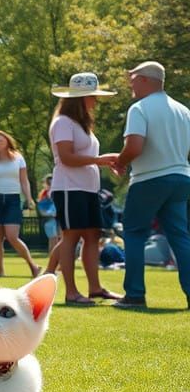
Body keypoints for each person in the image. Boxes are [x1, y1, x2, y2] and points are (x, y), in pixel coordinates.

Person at [111, 61, 190, 310]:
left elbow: (134, 146)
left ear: (145, 79)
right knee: (180, 237)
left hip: (149, 179)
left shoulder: (140, 108)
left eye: (133, 79)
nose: (130, 84)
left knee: (134, 233)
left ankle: (135, 294)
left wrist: (120, 163)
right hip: (181, 178)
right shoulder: (183, 110)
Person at [48, 72, 122, 305]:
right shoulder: (62, 123)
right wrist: (99, 160)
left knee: (93, 235)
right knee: (71, 237)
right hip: (69, 189)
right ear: (79, 98)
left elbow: (84, 156)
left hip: (88, 189)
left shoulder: (82, 125)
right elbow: (67, 158)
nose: (95, 101)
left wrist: (103, 162)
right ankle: (71, 292)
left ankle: (95, 288)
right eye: (92, 96)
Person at [0, 130, 41, 279]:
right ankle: (1, 270)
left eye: (0, 141)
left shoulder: (18, 158)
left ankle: (33, 266)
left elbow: (24, 180)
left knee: (12, 236)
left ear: (7, 141)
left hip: (13, 199)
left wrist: (29, 198)